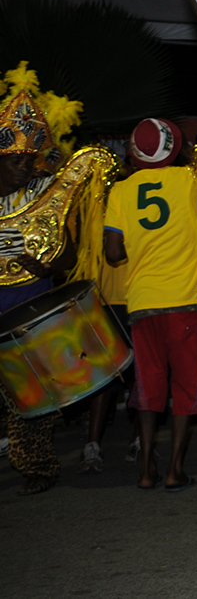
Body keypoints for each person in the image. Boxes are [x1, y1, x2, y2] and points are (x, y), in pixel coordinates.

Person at [0, 64, 116, 495]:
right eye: (14, 161)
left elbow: (67, 255)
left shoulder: (42, 196)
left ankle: (38, 466)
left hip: (29, 307)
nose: (24, 168)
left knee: (30, 398)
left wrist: (48, 267)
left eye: (29, 160)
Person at [104, 118, 197, 491]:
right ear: (173, 148)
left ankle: (145, 471)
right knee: (185, 387)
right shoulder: (189, 181)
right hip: (186, 299)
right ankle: (174, 470)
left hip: (142, 302)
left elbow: (113, 253)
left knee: (148, 385)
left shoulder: (120, 192)